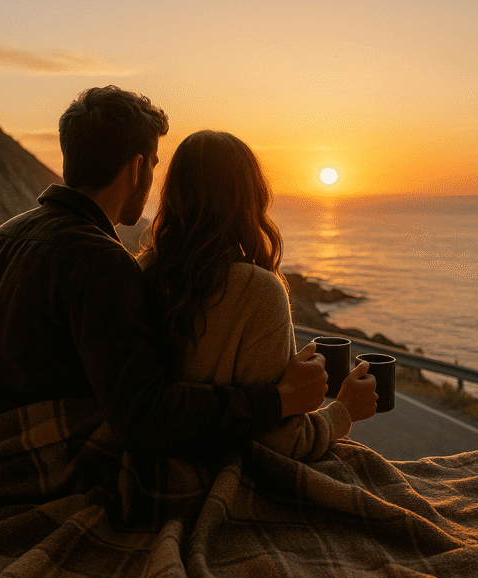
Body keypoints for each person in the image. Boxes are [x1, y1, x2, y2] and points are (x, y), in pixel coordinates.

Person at [0, 87, 328, 457]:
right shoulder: (100, 262)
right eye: (154, 164)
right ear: (137, 168)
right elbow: (146, 417)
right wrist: (278, 400)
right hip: (34, 466)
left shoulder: (2, 237)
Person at [140, 130, 378, 461]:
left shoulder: (141, 271)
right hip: (216, 470)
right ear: (251, 197)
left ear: (173, 194)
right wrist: (345, 410)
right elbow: (284, 442)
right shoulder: (258, 290)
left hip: (145, 460)